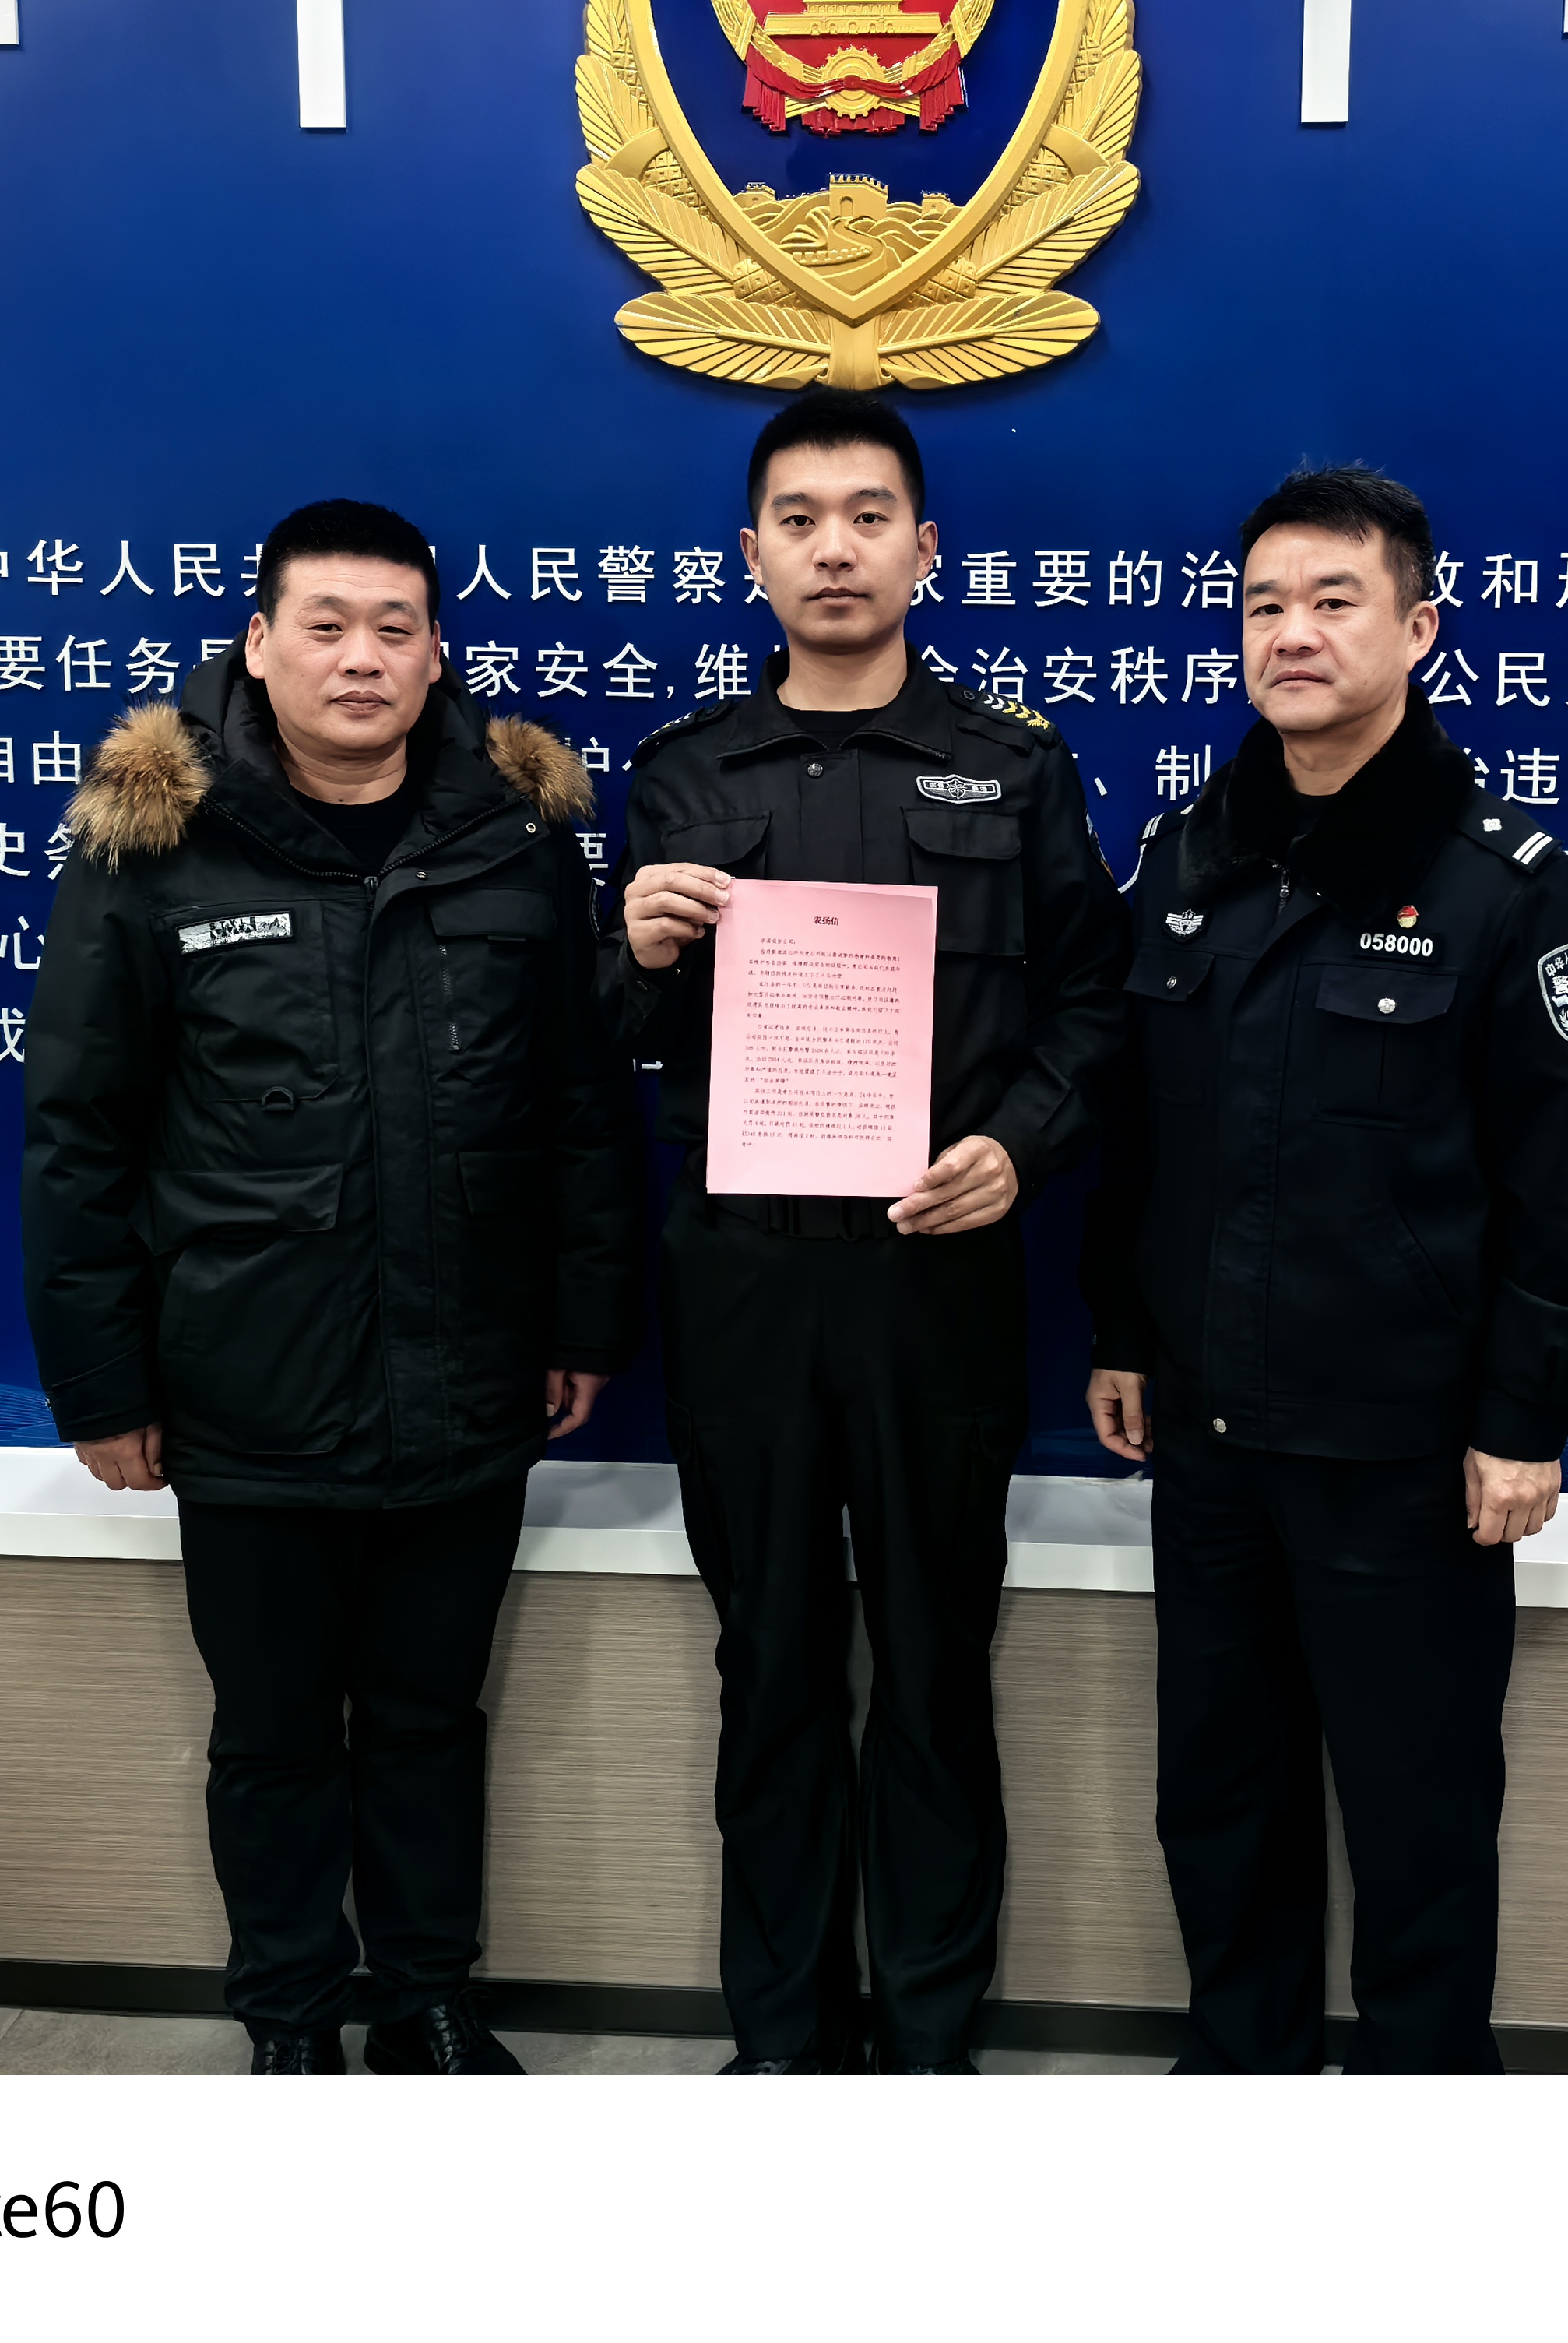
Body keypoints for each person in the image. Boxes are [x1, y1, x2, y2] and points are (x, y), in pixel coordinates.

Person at [21, 498, 640, 2077]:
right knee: (276, 1734)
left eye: (394, 629)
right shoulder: (155, 843)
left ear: (435, 656)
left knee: (431, 1718)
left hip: (467, 1371)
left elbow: (578, 1107)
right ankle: (291, 2019)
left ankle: (427, 1998)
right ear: (259, 643)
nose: (361, 658)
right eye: (326, 625)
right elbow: (80, 1131)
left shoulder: (515, 837)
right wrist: (102, 1382)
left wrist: (581, 1321)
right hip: (246, 1384)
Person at [1081, 463, 1568, 2074]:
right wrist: (1122, 1329)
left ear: (1419, 629)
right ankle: (1237, 2075)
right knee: (1220, 1803)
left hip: (1402, 1453)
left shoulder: (1500, 879)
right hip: (1209, 1439)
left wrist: (1526, 1419)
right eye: (1264, 605)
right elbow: (1140, 1128)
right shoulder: (1188, 854)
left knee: (1416, 1821)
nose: (1293, 634)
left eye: (1334, 601)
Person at [604, 389, 1131, 2074]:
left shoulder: (1014, 766)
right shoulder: (680, 775)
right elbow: (607, 1031)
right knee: (766, 1661)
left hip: (936, 1281)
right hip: (744, 1285)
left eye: (868, 515)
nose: (835, 548)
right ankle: (782, 2043)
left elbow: (1097, 1006)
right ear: (750, 554)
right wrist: (636, 948)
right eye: (800, 518)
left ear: (924, 548)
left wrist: (1016, 1149)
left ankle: (925, 2039)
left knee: (930, 1661)